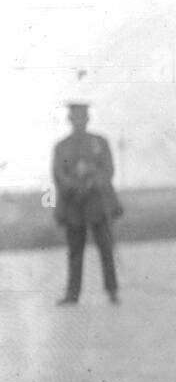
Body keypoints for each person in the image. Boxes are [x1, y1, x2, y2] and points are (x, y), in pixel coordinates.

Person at [52, 102, 122, 305]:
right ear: (69, 120)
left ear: (88, 120)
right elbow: (58, 174)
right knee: (75, 251)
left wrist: (91, 182)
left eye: (83, 118)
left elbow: (108, 170)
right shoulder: (61, 146)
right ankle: (72, 294)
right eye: (75, 118)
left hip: (98, 203)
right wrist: (74, 186)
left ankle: (112, 291)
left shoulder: (100, 142)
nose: (79, 122)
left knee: (105, 248)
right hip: (73, 204)